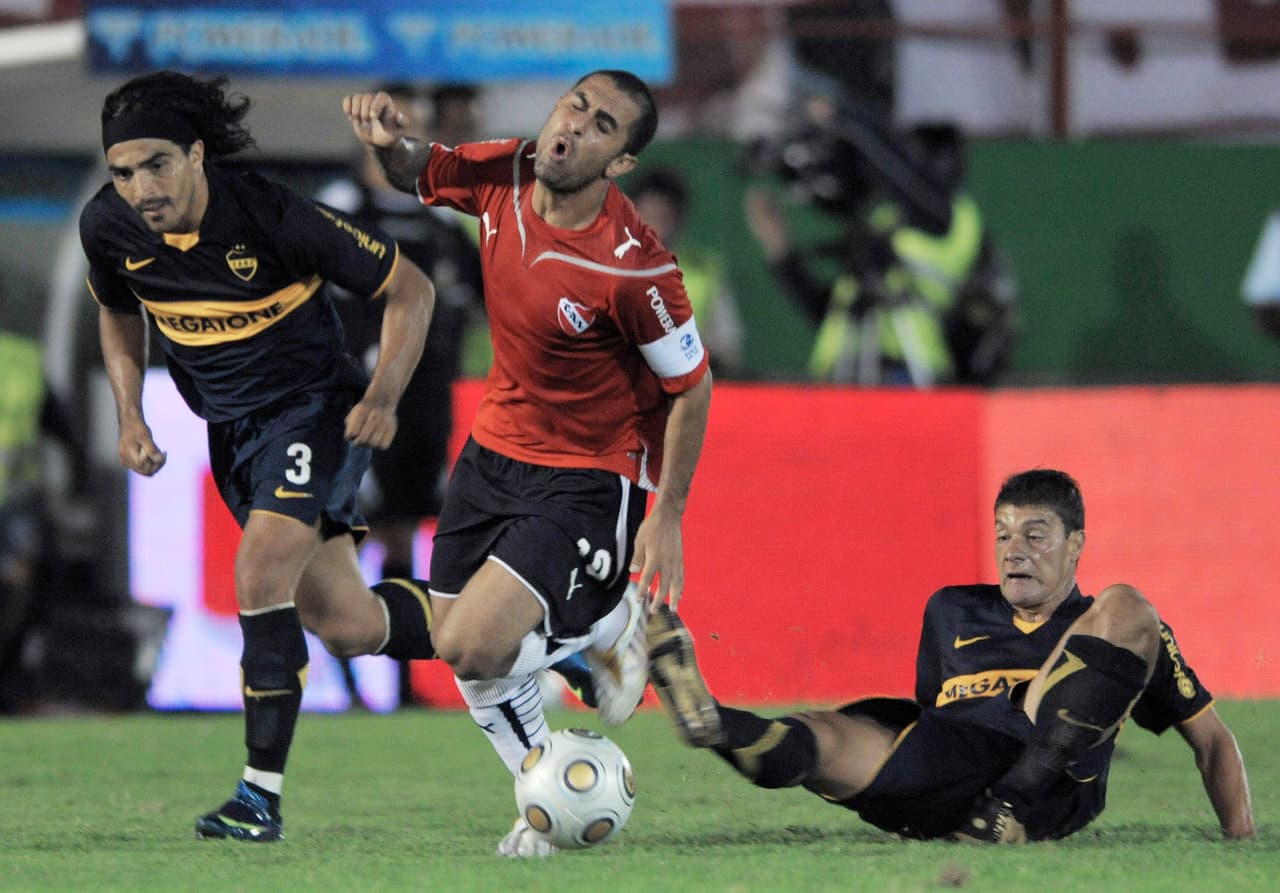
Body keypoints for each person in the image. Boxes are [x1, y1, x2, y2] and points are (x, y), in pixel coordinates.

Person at [342, 68, 714, 856]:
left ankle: (611, 620)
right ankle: (545, 799)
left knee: (475, 645)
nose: (575, 125)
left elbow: (692, 385)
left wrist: (670, 512)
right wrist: (389, 144)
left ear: (619, 165)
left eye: (603, 125)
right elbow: (420, 169)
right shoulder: (503, 172)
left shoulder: (634, 267)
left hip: (588, 474)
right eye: (574, 104)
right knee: (462, 649)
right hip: (492, 452)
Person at [79, 70, 438, 843]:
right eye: (123, 171)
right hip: (235, 433)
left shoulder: (271, 214)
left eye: (157, 164)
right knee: (345, 622)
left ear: (198, 154)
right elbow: (116, 312)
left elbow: (411, 290)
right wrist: (130, 413)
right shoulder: (107, 227)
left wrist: (380, 396)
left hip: (315, 409)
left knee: (258, 569)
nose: (140, 187)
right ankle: (529, 635)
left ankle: (257, 796)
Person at [647, 468, 1255, 843]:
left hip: (1047, 783)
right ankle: (711, 722)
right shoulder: (952, 610)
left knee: (1130, 603)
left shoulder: (1108, 631)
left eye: (1035, 536)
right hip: (956, 765)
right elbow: (933, 711)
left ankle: (1007, 807)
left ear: (1076, 545)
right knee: (825, 737)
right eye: (1003, 535)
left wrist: (1240, 837)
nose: (1014, 551)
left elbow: (1213, 741)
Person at [317, 81, 486, 710]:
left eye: (412, 130)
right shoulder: (340, 206)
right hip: (353, 400)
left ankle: (401, 686)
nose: (404, 140)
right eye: (394, 127)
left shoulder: (445, 222)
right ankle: (350, 685)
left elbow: (487, 297)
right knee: (338, 535)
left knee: (404, 531)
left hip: (424, 400)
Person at [744, 114, 1016, 387]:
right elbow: (830, 310)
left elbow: (904, 182)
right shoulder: (882, 221)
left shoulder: (953, 220)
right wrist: (778, 245)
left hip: (910, 375)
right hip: (838, 381)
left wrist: (848, 119)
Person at [626, 167, 745, 377]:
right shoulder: (606, 269)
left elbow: (727, 347)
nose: (654, 227)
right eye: (647, 216)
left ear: (678, 220)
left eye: (662, 217)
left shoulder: (705, 272)